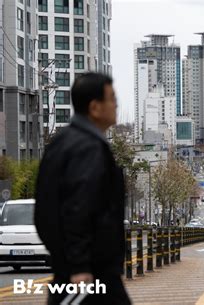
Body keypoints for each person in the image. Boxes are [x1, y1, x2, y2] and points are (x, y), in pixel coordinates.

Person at [35, 73, 131, 305]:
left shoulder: (64, 141)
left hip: (81, 268)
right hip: (88, 273)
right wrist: (79, 266)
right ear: (95, 107)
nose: (116, 104)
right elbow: (78, 207)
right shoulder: (88, 148)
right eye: (112, 98)